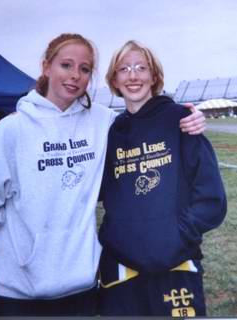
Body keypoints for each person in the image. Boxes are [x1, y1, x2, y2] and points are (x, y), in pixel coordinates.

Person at [0, 33, 206, 317]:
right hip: (18, 292)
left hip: (81, 290)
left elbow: (143, 122)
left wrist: (187, 116)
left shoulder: (103, 122)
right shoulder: (10, 131)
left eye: (84, 69)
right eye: (66, 65)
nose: (75, 76)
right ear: (46, 67)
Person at [98, 40, 227, 317]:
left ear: (154, 76)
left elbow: (212, 200)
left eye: (141, 68)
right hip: (122, 270)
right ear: (114, 79)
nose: (133, 76)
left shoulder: (180, 119)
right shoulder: (112, 131)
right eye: (124, 69)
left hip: (176, 266)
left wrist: (175, 235)